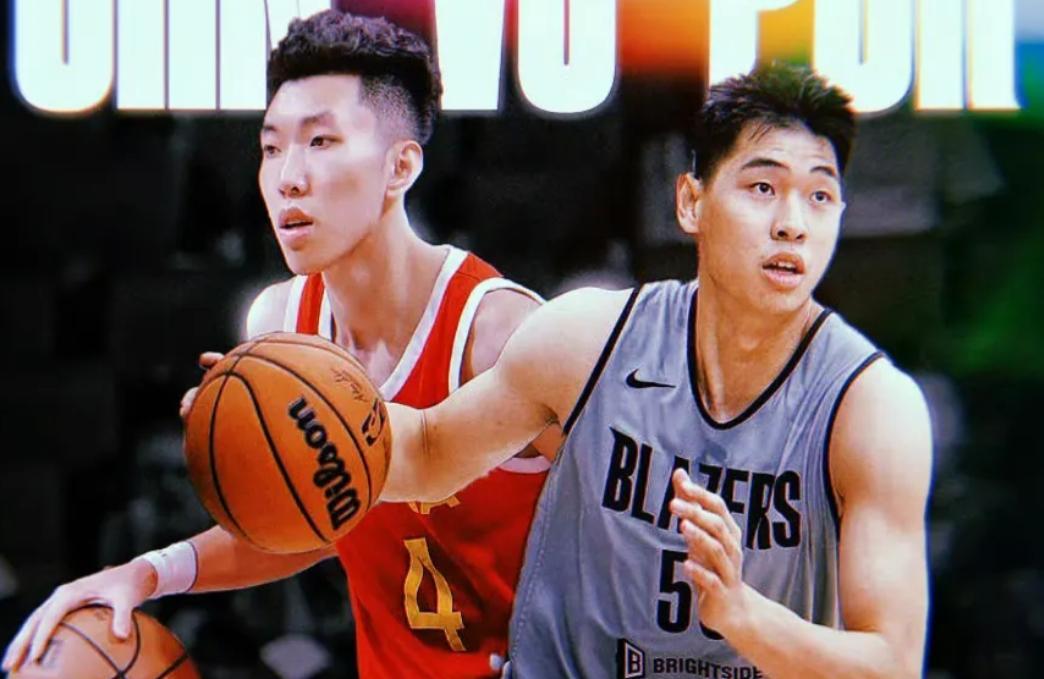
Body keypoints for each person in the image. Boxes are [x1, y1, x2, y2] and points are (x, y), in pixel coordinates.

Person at [3, 10, 554, 678]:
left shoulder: (498, 334)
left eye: (320, 142)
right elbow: (308, 523)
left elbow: (626, 536)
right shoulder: (281, 323)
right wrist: (146, 573)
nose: (288, 176)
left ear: (400, 165)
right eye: (271, 148)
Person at [378, 62, 932, 678]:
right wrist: (315, 431)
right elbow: (426, 451)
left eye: (819, 197)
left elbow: (892, 665)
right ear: (692, 202)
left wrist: (743, 614)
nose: (792, 224)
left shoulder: (870, 407)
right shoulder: (586, 340)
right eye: (762, 188)